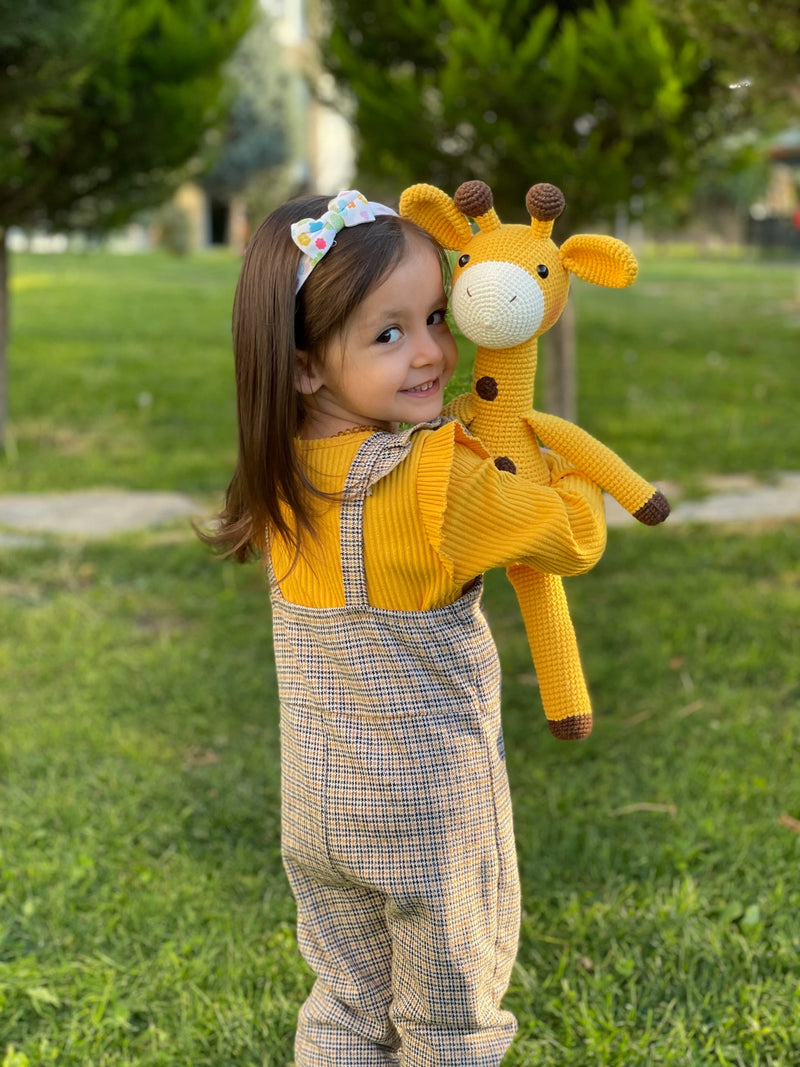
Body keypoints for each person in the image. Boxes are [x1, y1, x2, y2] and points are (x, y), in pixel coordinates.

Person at [203, 190, 607, 1066]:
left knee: (348, 1007)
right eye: (388, 334)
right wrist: (568, 475)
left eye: (435, 315)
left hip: (320, 811)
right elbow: (570, 538)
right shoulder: (443, 484)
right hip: (434, 815)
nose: (432, 352)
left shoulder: (279, 480)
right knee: (450, 1028)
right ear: (308, 364)